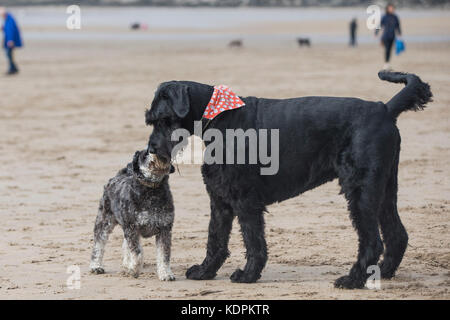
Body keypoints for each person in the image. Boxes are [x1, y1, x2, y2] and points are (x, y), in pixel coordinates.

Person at [375, 3, 401, 70]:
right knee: (387, 49)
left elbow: (398, 26)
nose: (392, 9)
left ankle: (388, 64)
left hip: (392, 36)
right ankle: (386, 64)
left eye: (392, 8)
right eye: (390, 8)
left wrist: (399, 33)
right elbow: (379, 25)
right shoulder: (384, 17)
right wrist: (376, 32)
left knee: (389, 50)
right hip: (385, 36)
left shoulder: (395, 17)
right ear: (387, 9)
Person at [0, 7, 22, 75]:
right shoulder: (8, 19)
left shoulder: (9, 19)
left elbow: (10, 30)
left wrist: (10, 40)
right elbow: (8, 29)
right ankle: (14, 68)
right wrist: (3, 28)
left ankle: (12, 68)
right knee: (9, 55)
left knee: (9, 54)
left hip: (10, 41)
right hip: (9, 40)